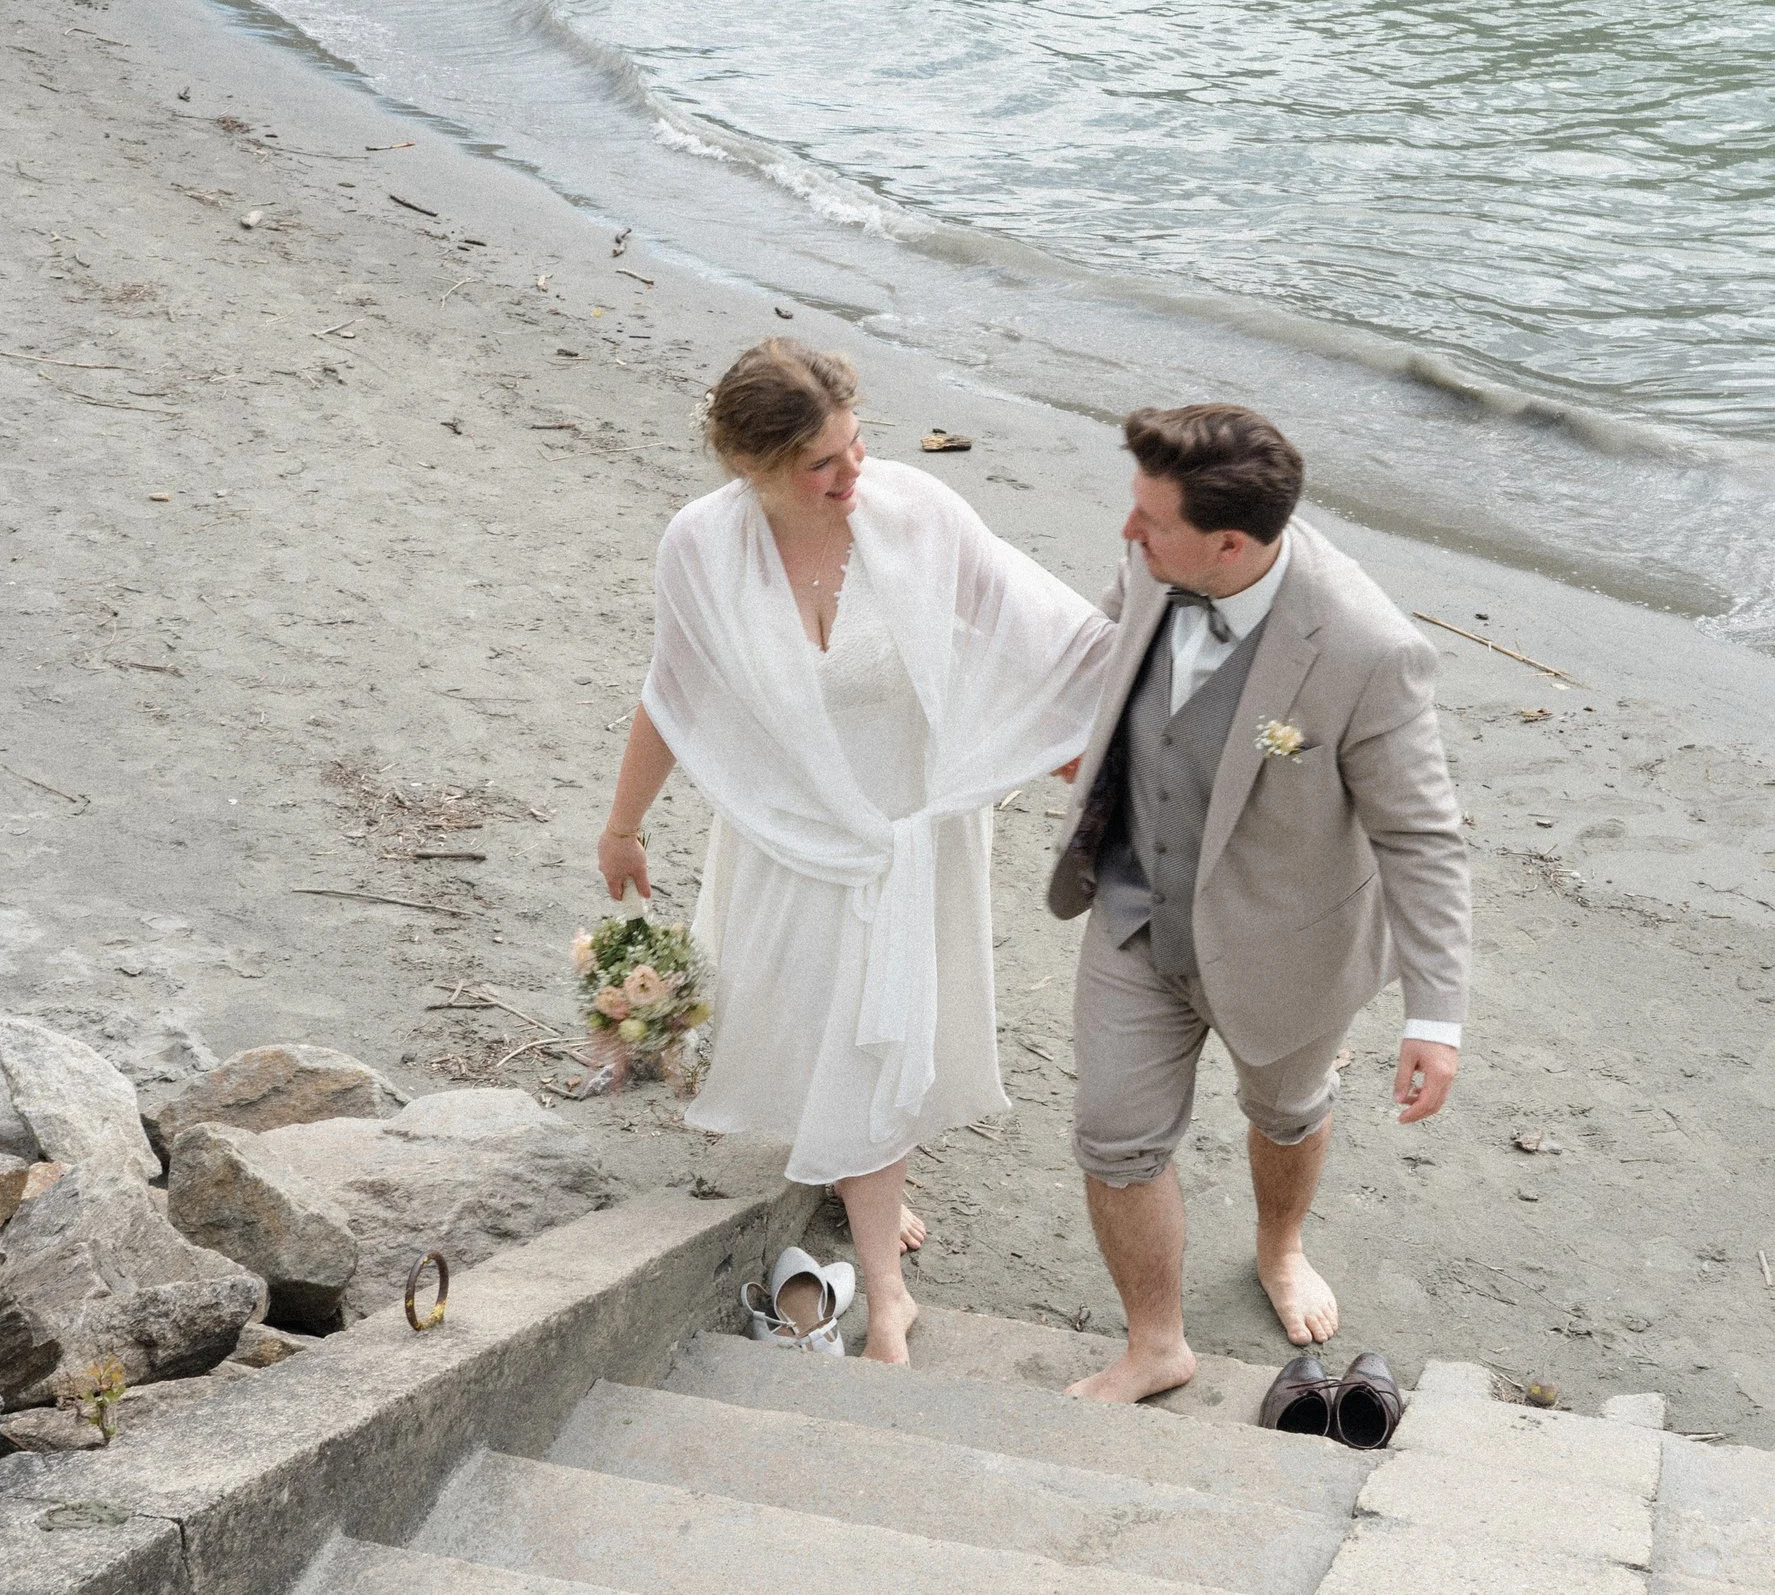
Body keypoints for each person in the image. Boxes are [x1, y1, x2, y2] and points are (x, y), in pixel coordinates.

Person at [599, 337, 1113, 1367]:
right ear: (751, 467)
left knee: (883, 1030)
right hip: (787, 830)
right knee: (812, 1013)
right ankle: (865, 1179)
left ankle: (885, 1290)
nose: (851, 477)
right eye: (821, 466)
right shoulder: (700, 546)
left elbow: (1047, 636)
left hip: (910, 829)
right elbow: (675, 688)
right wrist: (622, 822)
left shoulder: (914, 512)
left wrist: (1095, 750)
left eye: (855, 446)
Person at [1044, 403, 1471, 1403]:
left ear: (1228, 542)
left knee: (1284, 1112)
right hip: (1134, 907)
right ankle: (1156, 1342)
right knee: (1113, 1134)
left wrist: (1436, 1014)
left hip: (1288, 945)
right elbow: (1103, 653)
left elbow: (1422, 835)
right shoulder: (1158, 563)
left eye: (1149, 520)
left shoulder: (1369, 649)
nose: (1125, 534)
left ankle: (1280, 1246)